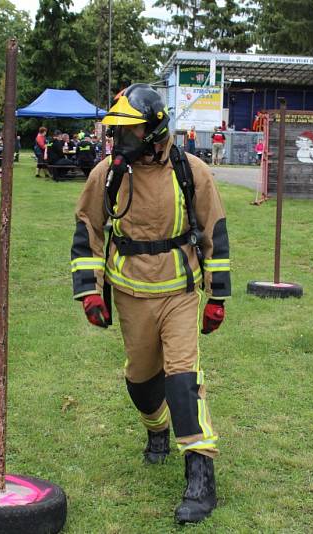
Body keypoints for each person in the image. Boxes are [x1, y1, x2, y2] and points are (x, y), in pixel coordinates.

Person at [71, 83, 231, 524]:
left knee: (183, 380)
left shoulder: (191, 171)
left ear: (155, 130)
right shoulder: (106, 173)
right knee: (142, 381)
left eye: (128, 132)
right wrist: (89, 289)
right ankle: (156, 430)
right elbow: (89, 230)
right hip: (130, 294)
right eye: (117, 133)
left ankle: (200, 475)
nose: (119, 142)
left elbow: (215, 234)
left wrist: (216, 296)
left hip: (179, 292)